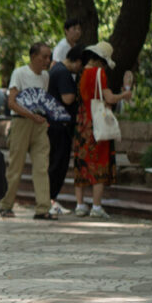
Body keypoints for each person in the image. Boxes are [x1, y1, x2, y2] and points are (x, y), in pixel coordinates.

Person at [72, 41, 131, 219]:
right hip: (96, 124)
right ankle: (96, 207)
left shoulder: (81, 72)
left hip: (82, 122)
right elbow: (109, 98)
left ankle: (80, 205)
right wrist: (124, 95)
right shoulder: (99, 73)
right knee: (99, 162)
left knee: (81, 163)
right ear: (100, 60)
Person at [0, 42, 54, 220]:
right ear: (33, 56)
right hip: (21, 122)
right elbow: (12, 103)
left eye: (49, 57)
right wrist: (31, 115)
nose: (47, 60)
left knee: (42, 165)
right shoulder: (20, 73)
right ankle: (6, 205)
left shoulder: (45, 76)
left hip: (39, 124)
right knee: (16, 165)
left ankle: (43, 208)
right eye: (43, 56)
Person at [47, 44, 86, 214]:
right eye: (81, 65)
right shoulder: (63, 72)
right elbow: (68, 99)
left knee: (56, 163)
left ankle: (50, 199)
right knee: (58, 164)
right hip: (59, 126)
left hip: (56, 124)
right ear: (76, 61)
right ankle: (50, 199)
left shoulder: (57, 70)